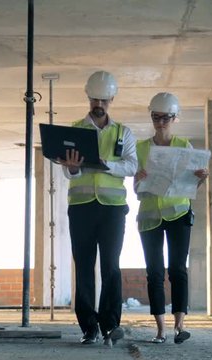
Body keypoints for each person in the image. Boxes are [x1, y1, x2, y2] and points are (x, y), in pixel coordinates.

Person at [57, 70, 137, 347]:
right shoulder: (75, 129)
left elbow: (132, 166)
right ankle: (89, 328)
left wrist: (107, 165)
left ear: (111, 99)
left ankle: (110, 324)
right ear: (88, 97)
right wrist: (73, 169)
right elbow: (70, 174)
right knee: (84, 268)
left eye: (103, 99)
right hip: (81, 208)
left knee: (111, 267)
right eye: (94, 98)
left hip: (113, 209)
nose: (98, 103)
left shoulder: (123, 132)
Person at [133, 92, 208, 345]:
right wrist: (138, 180)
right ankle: (160, 329)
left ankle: (179, 327)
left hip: (178, 214)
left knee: (177, 269)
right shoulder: (141, 148)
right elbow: (136, 190)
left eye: (166, 117)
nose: (161, 122)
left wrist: (199, 180)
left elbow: (189, 189)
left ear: (175, 118)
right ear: (151, 116)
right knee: (154, 272)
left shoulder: (183, 146)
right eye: (156, 117)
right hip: (150, 216)